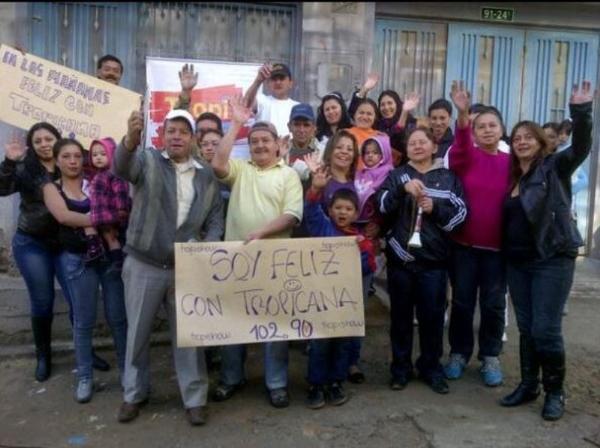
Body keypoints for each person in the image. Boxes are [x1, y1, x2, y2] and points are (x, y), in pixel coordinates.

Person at [113, 108, 224, 426]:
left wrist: (204, 248)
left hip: (185, 268)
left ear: (193, 138)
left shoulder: (205, 174)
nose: (176, 137)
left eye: (183, 132)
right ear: (162, 135)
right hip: (144, 263)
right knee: (137, 334)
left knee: (189, 337)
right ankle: (134, 394)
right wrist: (130, 139)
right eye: (171, 131)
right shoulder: (147, 161)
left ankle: (194, 399)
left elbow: (215, 217)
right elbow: (121, 167)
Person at [499, 82, 593, 421]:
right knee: (526, 328)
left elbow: (580, 147)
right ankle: (529, 385)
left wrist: (581, 113)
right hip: (518, 263)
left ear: (541, 142)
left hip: (551, 259)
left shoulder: (554, 167)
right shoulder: (512, 178)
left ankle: (555, 391)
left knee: (545, 329)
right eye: (517, 138)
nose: (521, 141)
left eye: (528, 137)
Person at [210, 96, 303, 409]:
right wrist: (237, 123)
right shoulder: (241, 169)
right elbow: (218, 164)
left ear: (278, 144)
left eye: (266, 140)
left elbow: (292, 215)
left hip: (275, 264)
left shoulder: (288, 175)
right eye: (254, 141)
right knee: (233, 322)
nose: (260, 145)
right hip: (237, 261)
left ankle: (276, 383)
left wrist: (262, 232)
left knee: (275, 327)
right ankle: (231, 378)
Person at [377, 127, 466, 394]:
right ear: (406, 149)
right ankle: (400, 369)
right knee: (400, 319)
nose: (417, 146)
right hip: (401, 261)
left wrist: (435, 208)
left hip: (434, 264)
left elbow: (460, 216)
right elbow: (381, 206)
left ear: (434, 147)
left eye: (422, 142)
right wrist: (401, 190)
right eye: (412, 143)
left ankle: (431, 368)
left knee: (433, 320)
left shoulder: (449, 178)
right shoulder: (397, 175)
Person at [42, 138, 128, 404]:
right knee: (83, 321)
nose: (72, 161)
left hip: (109, 258)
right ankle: (85, 377)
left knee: (118, 318)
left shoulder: (97, 180)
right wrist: (103, 219)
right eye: (66, 156)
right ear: (57, 160)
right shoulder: (51, 188)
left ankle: (128, 372)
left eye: (77, 156)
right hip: (77, 260)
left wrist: (101, 220)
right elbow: (64, 217)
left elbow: (119, 209)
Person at [444, 81, 510, 387]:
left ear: (502, 129)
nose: (486, 130)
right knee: (462, 303)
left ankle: (490, 355)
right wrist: (462, 114)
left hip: (498, 250)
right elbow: (458, 148)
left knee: (494, 305)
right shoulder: (467, 156)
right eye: (480, 126)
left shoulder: (512, 163)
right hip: (464, 247)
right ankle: (459, 353)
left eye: (492, 125)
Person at [1, 123, 68, 382]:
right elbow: (2, 188)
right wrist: (9, 161)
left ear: (58, 139)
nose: (43, 144)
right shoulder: (25, 167)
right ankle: (43, 356)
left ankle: (85, 350)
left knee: (77, 297)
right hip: (32, 243)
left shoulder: (70, 161)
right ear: (32, 145)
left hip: (65, 242)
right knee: (42, 300)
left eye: (48, 138)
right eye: (37, 141)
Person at [303, 174, 375, 409]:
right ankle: (315, 385)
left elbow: (367, 269)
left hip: (344, 305)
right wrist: (315, 190)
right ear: (330, 210)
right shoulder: (322, 227)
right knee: (320, 344)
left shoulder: (358, 240)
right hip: (321, 302)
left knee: (342, 344)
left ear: (356, 214)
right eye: (338, 208)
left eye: (348, 209)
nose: (343, 212)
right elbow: (311, 210)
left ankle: (336, 383)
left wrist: (365, 251)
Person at [87, 137, 131, 267]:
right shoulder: (96, 175)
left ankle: (117, 263)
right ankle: (98, 252)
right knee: (105, 238)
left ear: (112, 154)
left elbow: (121, 191)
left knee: (112, 239)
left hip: (110, 215)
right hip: (99, 216)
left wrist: (122, 209)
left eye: (103, 154)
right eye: (94, 155)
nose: (98, 157)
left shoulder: (114, 174)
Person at [243, 62, 299, 137]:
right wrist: (258, 81)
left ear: (290, 83)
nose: (278, 82)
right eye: (274, 79)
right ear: (268, 83)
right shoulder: (262, 100)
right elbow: (246, 103)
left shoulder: (298, 107)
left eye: (282, 78)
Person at [285, 103, 323, 182]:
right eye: (297, 124)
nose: (301, 130)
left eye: (306, 125)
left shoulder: (323, 151)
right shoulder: (280, 151)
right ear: (289, 127)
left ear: (314, 128)